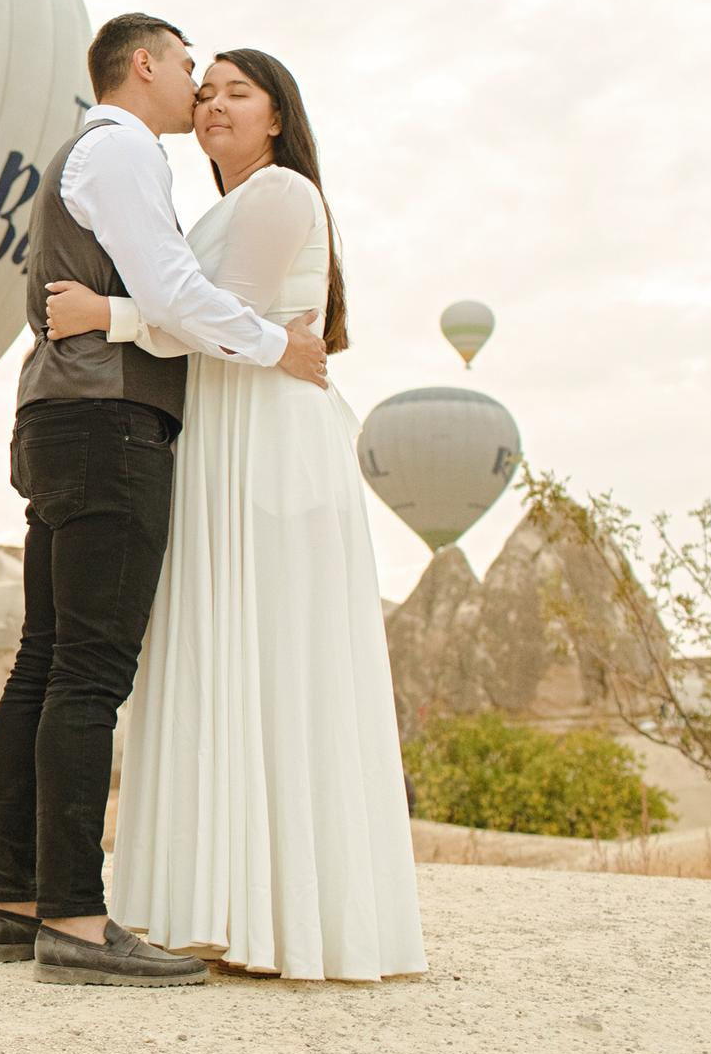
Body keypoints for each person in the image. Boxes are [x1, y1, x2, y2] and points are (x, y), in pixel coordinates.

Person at [41, 47, 425, 981]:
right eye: (204, 90)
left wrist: (105, 314)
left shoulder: (280, 192)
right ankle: (234, 906)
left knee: (271, 658)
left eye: (237, 92)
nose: (213, 104)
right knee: (233, 660)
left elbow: (212, 318)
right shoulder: (225, 205)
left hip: (266, 445)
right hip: (224, 433)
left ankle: (280, 919)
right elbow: (211, 315)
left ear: (278, 115)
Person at [0, 12, 330, 988]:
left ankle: (12, 899)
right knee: (88, 674)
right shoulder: (126, 153)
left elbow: (128, 298)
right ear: (144, 64)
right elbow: (173, 294)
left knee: (44, 662)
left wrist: (108, 314)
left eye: (224, 85)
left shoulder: (87, 155)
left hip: (60, 418)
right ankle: (74, 919)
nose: (196, 87)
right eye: (188, 68)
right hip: (109, 424)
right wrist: (279, 345)